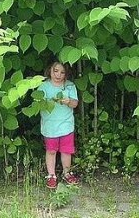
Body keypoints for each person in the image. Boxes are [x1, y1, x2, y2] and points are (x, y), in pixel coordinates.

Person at [38, 61, 80, 189]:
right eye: (55, 71)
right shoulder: (43, 86)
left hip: (66, 125)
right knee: (51, 151)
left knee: (66, 151)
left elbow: (75, 104)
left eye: (62, 72)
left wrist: (68, 101)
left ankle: (67, 173)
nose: (58, 75)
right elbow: (38, 102)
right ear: (50, 71)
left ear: (66, 74)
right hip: (50, 126)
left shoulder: (69, 86)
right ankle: (51, 175)